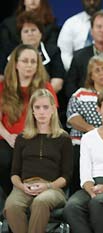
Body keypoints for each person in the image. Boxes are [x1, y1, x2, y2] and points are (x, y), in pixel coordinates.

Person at [3, 89, 73, 233]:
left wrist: (48, 186)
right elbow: (14, 173)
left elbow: (66, 176)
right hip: (24, 187)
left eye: (46, 107)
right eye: (37, 107)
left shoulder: (63, 138)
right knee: (11, 206)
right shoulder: (22, 138)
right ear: (32, 111)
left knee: (41, 202)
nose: (41, 112)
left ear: (53, 109)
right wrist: (22, 187)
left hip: (53, 188)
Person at [0, 44, 58, 196]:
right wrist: (8, 136)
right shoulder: (2, 87)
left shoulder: (46, 87)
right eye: (25, 61)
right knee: (4, 159)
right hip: (7, 139)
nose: (29, 65)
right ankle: (8, 198)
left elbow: (51, 119)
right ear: (16, 63)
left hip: (36, 137)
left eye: (33, 62)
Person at [63, 88, 103, 233]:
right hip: (93, 184)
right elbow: (85, 172)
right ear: (98, 110)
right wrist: (92, 190)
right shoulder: (88, 137)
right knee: (72, 207)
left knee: (98, 203)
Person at [66, 55, 103, 194]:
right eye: (97, 70)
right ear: (91, 76)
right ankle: (80, 193)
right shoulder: (80, 94)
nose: (102, 73)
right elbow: (72, 117)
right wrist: (94, 132)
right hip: (82, 142)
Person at [0, 11, 65, 92]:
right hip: (13, 97)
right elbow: (1, 78)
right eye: (26, 31)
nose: (30, 34)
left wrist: (40, 97)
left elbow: (57, 83)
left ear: (41, 33)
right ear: (20, 36)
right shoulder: (8, 52)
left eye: (33, 30)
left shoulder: (53, 52)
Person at [57, 0, 103, 70]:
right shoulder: (70, 23)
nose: (92, 3)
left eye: (95, 0)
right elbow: (64, 54)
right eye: (88, 0)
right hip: (79, 76)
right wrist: (80, 70)